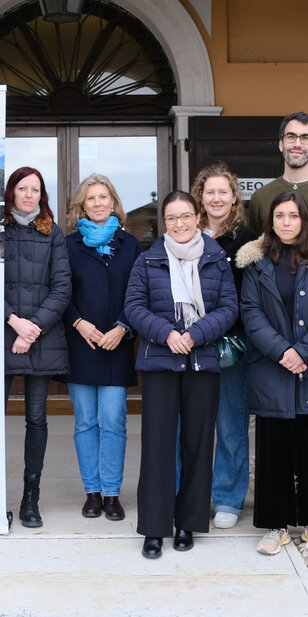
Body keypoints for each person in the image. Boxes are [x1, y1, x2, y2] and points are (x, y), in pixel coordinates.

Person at [125, 191, 238, 559]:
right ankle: (155, 528)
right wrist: (168, 334)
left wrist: (195, 334)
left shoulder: (216, 258)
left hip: (202, 362)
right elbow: (134, 307)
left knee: (197, 443)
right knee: (158, 447)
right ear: (165, 222)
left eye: (186, 216)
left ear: (197, 216)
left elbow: (229, 308)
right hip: (160, 363)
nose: (180, 224)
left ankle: (188, 523)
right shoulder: (148, 260)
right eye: (172, 218)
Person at [236, 191, 308, 556]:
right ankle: (276, 525)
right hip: (273, 370)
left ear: (304, 220)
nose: (286, 222)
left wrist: (304, 351)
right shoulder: (257, 263)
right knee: (274, 454)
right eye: (279, 216)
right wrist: (283, 351)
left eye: (293, 216)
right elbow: (251, 313)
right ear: (270, 222)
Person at [63, 174, 140, 522]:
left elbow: (140, 293)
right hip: (81, 343)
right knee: (85, 423)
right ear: (82, 204)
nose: (97, 203)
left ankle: (112, 494)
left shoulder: (130, 244)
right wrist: (79, 323)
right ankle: (91, 493)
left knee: (113, 420)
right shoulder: (68, 245)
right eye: (90, 198)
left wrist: (123, 327)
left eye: (103, 197)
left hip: (117, 344)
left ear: (113, 202)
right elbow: (60, 293)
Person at [190, 163, 258, 529]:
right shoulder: (186, 233)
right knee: (194, 424)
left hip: (232, 344)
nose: (216, 198)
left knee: (231, 424)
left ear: (234, 198)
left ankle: (229, 498)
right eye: (209, 192)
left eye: (223, 192)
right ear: (200, 197)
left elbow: (253, 295)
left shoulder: (247, 238)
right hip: (189, 343)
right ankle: (194, 494)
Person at [3, 166, 71, 528]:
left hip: (41, 340)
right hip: (2, 336)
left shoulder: (52, 232)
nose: (29, 195)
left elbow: (62, 287)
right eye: (23, 188)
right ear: (12, 191)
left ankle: (31, 498)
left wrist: (34, 328)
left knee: (36, 418)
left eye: (36, 189)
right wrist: (14, 321)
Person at [245, 112, 308, 236]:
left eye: (305, 137)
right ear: (281, 144)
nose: (297, 144)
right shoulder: (260, 197)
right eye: (291, 136)